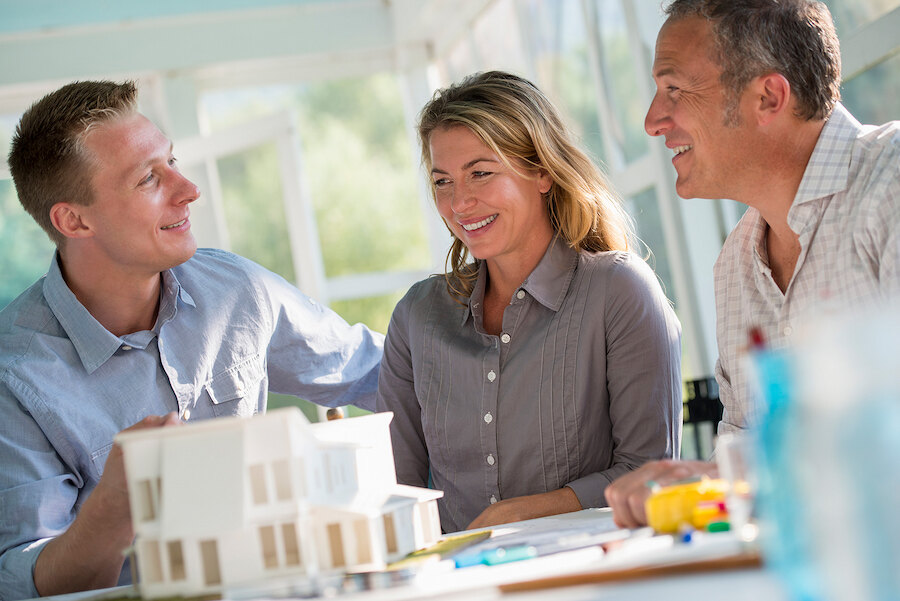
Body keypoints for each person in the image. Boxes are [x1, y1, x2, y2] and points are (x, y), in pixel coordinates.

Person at [0, 81, 384, 598]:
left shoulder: (235, 289)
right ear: (74, 219)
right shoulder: (15, 377)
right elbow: (27, 583)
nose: (188, 189)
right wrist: (117, 502)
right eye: (148, 179)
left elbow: (382, 374)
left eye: (173, 161)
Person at [605, 0, 900, 528]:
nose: (653, 120)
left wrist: (730, 480)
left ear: (768, 96)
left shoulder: (892, 187)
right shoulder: (735, 265)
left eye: (674, 89)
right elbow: (746, 468)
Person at [376, 71, 683, 534]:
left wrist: (519, 514)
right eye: (443, 182)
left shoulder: (619, 293)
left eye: (480, 173)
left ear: (541, 171)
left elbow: (651, 475)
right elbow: (396, 490)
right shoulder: (417, 318)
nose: (460, 202)